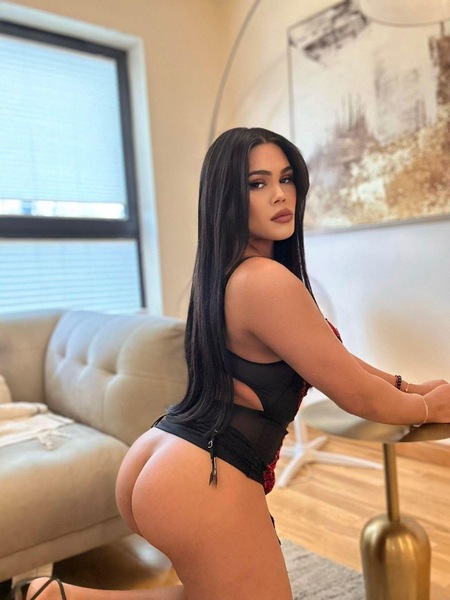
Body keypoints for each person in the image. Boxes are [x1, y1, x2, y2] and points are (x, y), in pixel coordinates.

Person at [20, 127, 450, 600]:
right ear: (225, 196)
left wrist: (409, 388)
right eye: (257, 183)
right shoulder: (266, 281)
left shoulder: (228, 274)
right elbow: (358, 396)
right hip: (203, 474)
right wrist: (429, 410)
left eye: (286, 179)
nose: (280, 195)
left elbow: (332, 361)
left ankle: (60, 597)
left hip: (168, 453)